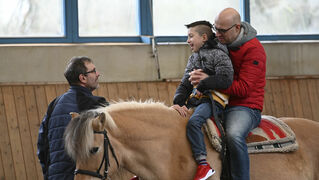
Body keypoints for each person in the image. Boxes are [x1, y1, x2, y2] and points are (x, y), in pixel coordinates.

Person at [189, 8, 266, 180]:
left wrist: (211, 80)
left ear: (237, 28)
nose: (217, 34)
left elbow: (244, 88)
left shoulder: (254, 50)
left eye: (222, 30)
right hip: (219, 100)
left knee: (234, 135)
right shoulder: (219, 42)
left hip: (245, 106)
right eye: (215, 28)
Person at [171, 20, 233, 180]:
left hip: (213, 101)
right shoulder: (193, 58)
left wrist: (203, 84)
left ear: (204, 37)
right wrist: (178, 101)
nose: (188, 40)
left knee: (194, 122)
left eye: (191, 36)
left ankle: (203, 164)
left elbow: (226, 78)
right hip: (197, 100)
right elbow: (185, 83)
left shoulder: (219, 54)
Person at [37, 56, 109, 180]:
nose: (98, 74)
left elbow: (42, 147)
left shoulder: (54, 104)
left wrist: (49, 175)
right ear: (83, 78)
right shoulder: (96, 105)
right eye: (93, 71)